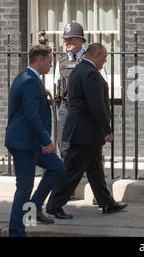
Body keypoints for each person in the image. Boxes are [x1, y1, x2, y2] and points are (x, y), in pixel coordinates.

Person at [46, 43, 127, 219]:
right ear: (97, 55)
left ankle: (106, 203)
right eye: (104, 58)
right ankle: (54, 205)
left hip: (85, 131)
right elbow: (96, 105)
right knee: (72, 171)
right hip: (85, 132)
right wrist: (107, 129)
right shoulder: (90, 74)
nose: (104, 62)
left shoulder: (78, 70)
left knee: (95, 169)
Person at [5, 44, 64, 237]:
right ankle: (16, 232)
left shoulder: (27, 78)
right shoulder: (29, 80)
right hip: (25, 143)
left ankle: (36, 206)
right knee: (24, 187)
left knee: (57, 167)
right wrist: (47, 141)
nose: (50, 64)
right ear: (39, 60)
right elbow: (32, 116)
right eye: (49, 60)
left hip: (30, 142)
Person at [55, 21, 108, 160]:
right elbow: (57, 83)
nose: (67, 42)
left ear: (80, 40)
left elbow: (102, 86)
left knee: (89, 147)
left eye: (70, 38)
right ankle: (67, 173)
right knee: (65, 146)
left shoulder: (92, 59)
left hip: (84, 110)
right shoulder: (61, 61)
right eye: (65, 39)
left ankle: (74, 175)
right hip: (65, 108)